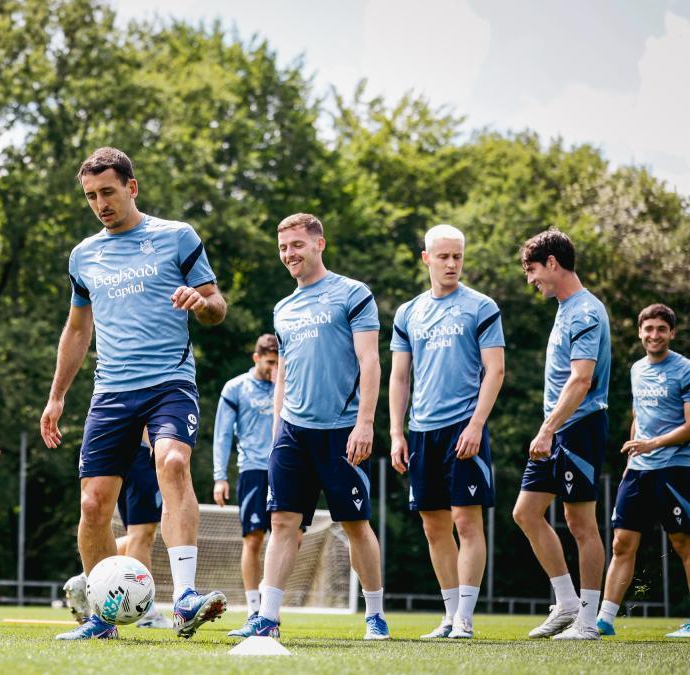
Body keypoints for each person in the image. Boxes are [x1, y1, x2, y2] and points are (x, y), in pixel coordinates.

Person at [40, 146, 228, 640]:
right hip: (111, 391)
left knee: (171, 462)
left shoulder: (177, 237)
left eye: (107, 192)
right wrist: (57, 395)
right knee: (93, 506)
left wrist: (199, 302)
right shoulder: (83, 255)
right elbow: (78, 330)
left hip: (169, 381)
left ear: (132, 187)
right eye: (90, 196)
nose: (100, 203)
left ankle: (185, 598)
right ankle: (101, 621)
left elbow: (216, 306)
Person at [231, 213, 389, 641]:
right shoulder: (283, 308)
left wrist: (365, 424)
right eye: (283, 248)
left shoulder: (353, 294)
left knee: (355, 524)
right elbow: (283, 375)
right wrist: (278, 430)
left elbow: (370, 362)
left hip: (342, 431)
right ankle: (268, 617)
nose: (289, 255)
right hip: (292, 434)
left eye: (296, 245)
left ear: (320, 243)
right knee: (282, 522)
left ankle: (375, 615)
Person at [388, 224, 505, 639]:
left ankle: (466, 620)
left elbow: (496, 370)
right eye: (443, 256)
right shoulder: (408, 312)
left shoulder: (481, 306)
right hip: (421, 431)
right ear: (426, 258)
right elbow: (400, 378)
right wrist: (396, 433)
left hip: (464, 427)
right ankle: (449, 615)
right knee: (433, 525)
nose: (452, 263)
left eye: (457, 256)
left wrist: (476, 424)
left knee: (466, 522)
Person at [512, 229, 611, 640]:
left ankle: (588, 621)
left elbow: (581, 381)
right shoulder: (565, 308)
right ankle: (567, 603)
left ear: (552, 263)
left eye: (532, 270)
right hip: (556, 430)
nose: (530, 279)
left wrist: (547, 429)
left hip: (578, 427)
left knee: (581, 522)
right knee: (525, 513)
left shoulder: (586, 311)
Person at [596, 304, 690, 639]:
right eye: (648, 329)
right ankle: (604, 621)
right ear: (640, 332)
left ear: (672, 333)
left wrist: (653, 445)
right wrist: (630, 461)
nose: (654, 335)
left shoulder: (685, 369)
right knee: (622, 542)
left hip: (674, 468)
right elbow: (638, 416)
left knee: (683, 542)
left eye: (661, 329)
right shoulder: (636, 369)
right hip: (638, 470)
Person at [63, 438, 173, 629]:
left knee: (136, 535)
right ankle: (147, 613)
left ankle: (88, 578)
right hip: (143, 451)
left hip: (115, 446)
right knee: (142, 535)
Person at [212, 334, 277, 624]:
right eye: (269, 363)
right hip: (253, 469)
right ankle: (254, 608)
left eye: (278, 362)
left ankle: (269, 587)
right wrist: (219, 477)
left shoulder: (289, 384)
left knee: (295, 537)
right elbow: (223, 434)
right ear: (256, 358)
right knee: (253, 539)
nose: (274, 368)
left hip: (287, 468)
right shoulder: (236, 388)